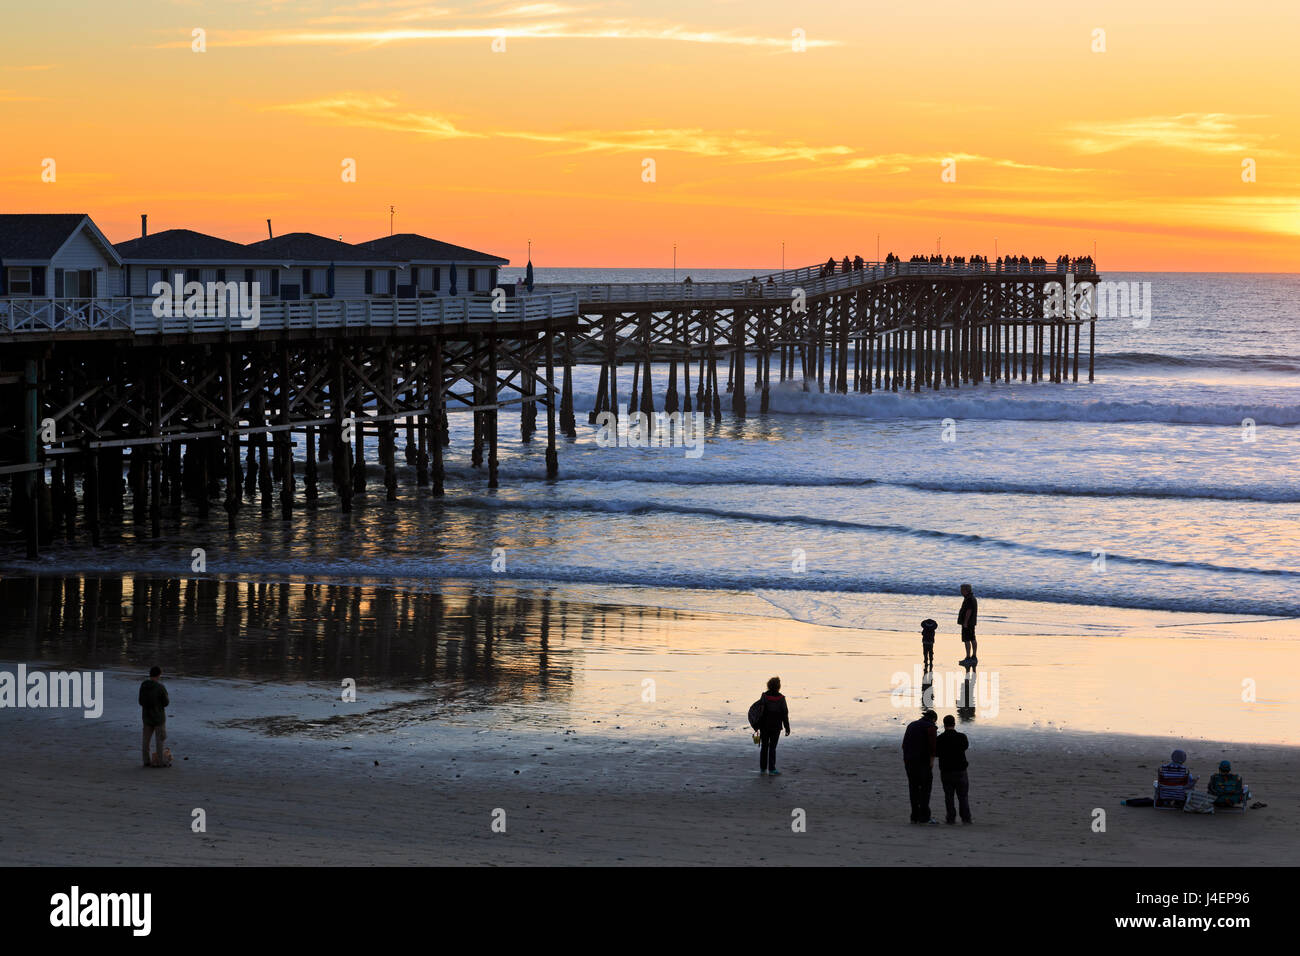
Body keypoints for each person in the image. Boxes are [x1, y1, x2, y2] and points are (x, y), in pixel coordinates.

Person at [902, 709, 939, 823]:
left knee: (913, 789)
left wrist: (906, 760)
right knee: (925, 790)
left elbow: (904, 745)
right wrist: (931, 761)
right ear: (933, 719)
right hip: (923, 763)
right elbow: (933, 748)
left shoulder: (911, 725)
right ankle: (924, 817)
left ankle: (914, 816)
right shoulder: (931, 728)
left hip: (910, 762)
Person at [936, 715, 972, 824]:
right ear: (954, 723)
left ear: (944, 724)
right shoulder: (962, 737)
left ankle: (951, 818)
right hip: (960, 770)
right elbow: (965, 747)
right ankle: (966, 818)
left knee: (949, 796)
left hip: (946, 770)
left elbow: (936, 753)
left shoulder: (940, 739)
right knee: (963, 796)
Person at [757, 676, 790, 776]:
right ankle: (772, 769)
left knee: (764, 747)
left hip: (764, 726)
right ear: (778, 687)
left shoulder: (764, 696)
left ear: (769, 685)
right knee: (772, 748)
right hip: (776, 727)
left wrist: (757, 725)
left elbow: (759, 711)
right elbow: (785, 713)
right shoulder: (781, 698)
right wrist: (787, 727)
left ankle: (763, 769)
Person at [138, 665, 170, 768]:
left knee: (146, 741)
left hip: (147, 717)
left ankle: (146, 761)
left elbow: (140, 701)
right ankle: (161, 762)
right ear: (159, 675)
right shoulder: (160, 687)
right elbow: (166, 702)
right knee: (160, 741)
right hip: (158, 718)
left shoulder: (143, 685)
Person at [957, 583, 978, 663]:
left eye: (962, 590)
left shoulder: (969, 599)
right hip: (971, 622)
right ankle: (974, 656)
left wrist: (965, 622)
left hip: (968, 623)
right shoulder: (970, 598)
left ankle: (968, 657)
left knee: (967, 639)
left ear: (966, 590)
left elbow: (969, 611)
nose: (961, 591)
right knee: (972, 638)